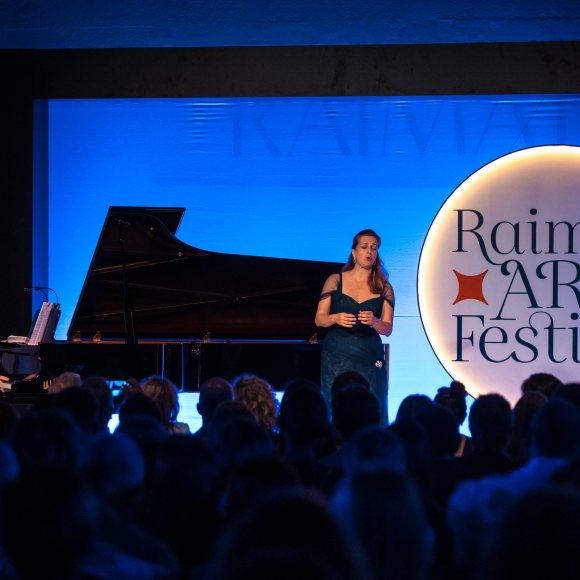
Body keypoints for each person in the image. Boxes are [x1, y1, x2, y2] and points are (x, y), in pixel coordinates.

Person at [315, 229, 394, 425]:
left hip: (370, 356)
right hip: (337, 355)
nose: (370, 252)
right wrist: (335, 317)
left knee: (373, 403)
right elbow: (319, 319)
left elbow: (388, 329)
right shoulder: (335, 280)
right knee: (334, 404)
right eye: (365, 247)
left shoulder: (384, 287)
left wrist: (375, 322)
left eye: (374, 248)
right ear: (354, 252)